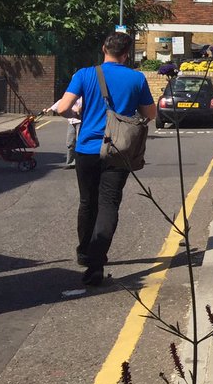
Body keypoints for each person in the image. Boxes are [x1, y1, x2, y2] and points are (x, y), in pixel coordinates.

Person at [46, 32, 155, 287]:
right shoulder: (136, 78)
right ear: (127, 54)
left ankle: (85, 253)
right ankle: (96, 263)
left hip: (87, 149)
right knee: (109, 204)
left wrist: (79, 112)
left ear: (104, 47)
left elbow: (63, 108)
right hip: (118, 150)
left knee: (87, 203)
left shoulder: (84, 74)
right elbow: (149, 114)